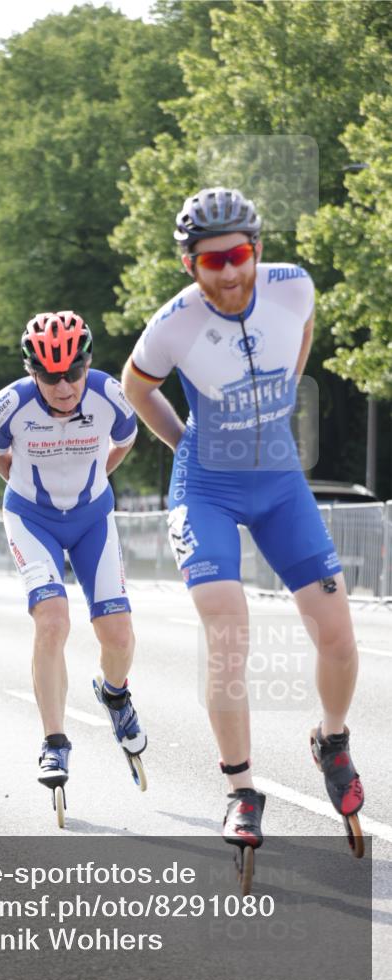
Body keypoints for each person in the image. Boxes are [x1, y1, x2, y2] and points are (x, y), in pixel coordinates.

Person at [122, 187, 363, 851]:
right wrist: (181, 444)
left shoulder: (293, 288)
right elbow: (135, 385)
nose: (228, 272)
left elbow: (302, 334)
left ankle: (331, 738)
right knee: (227, 633)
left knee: (338, 635)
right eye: (210, 261)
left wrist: (277, 405)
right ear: (188, 266)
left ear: (255, 249)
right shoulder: (172, 324)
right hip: (206, 489)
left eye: (238, 255)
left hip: (279, 480)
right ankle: (239, 790)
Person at [0, 310, 147, 807]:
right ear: (33, 372)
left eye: (73, 372)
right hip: (32, 519)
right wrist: (34, 492)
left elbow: (125, 442)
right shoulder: (6, 406)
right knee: (52, 622)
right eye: (51, 376)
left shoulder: (110, 395)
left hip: (93, 517)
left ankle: (115, 694)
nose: (63, 386)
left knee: (116, 633)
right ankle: (55, 742)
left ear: (87, 364)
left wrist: (93, 477)